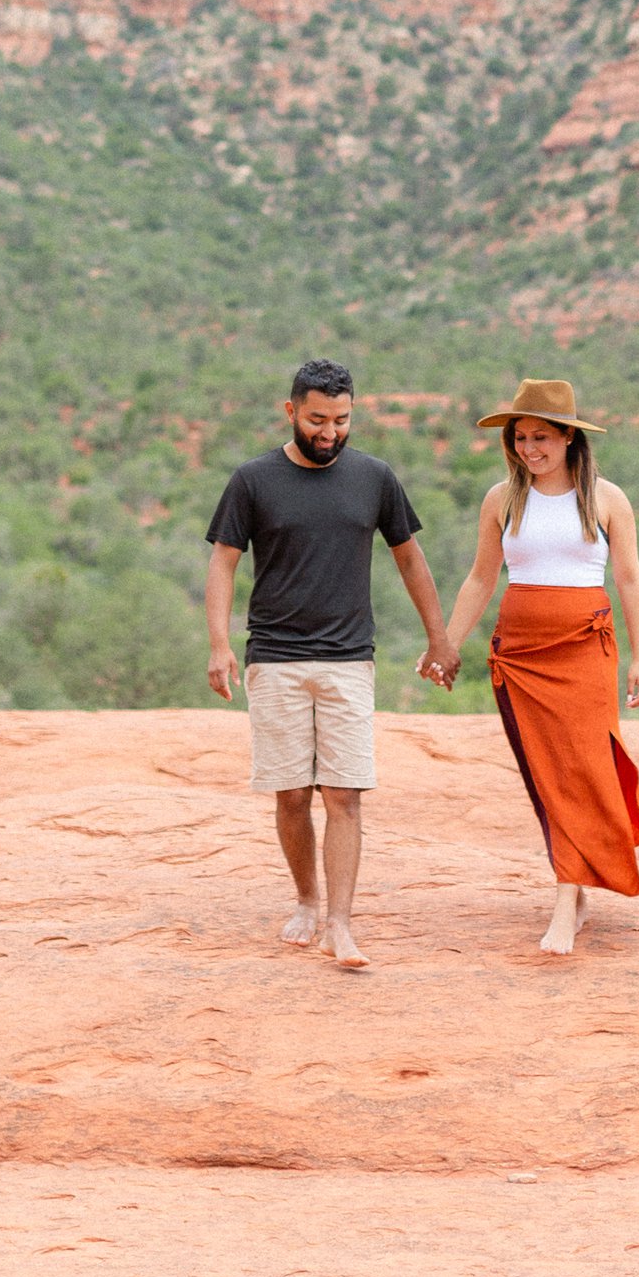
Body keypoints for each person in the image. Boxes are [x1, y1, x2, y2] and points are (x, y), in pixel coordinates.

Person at [205, 356, 458, 970]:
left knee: (345, 794)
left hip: (349, 659)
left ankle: (340, 926)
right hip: (275, 658)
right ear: (291, 411)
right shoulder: (252, 480)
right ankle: (306, 900)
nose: (329, 432)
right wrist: (219, 644)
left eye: (341, 421)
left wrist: (439, 637)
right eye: (317, 419)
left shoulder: (374, 478)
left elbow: (410, 559)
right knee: (291, 793)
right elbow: (223, 562)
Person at [440, 376, 639, 955]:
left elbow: (630, 578)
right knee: (546, 774)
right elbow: (480, 578)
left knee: (582, 769)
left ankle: (565, 904)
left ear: (568, 437)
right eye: (520, 438)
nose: (528, 449)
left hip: (585, 649)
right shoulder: (502, 498)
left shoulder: (606, 498)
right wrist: (446, 643)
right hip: (519, 654)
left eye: (540, 437)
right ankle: (574, 888)